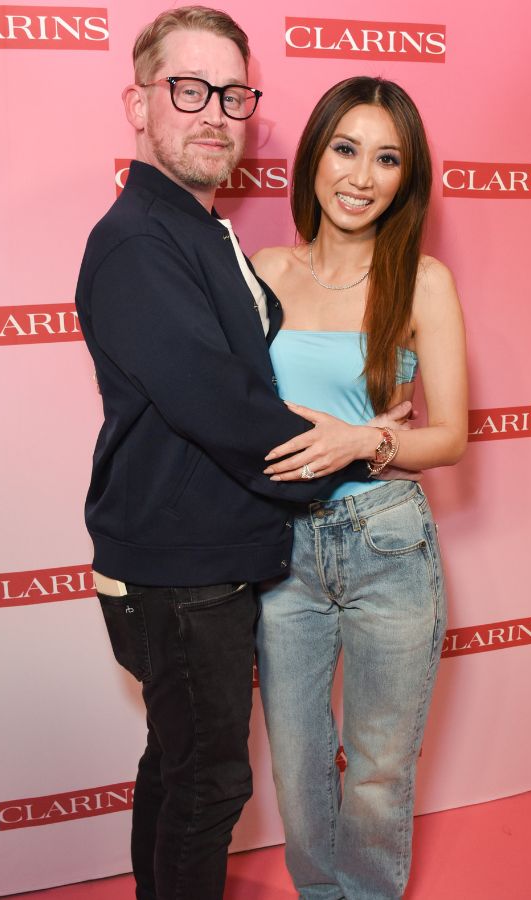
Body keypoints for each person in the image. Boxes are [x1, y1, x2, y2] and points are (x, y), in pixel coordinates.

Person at [74, 10, 409, 900]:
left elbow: (241, 392)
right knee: (211, 783)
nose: (214, 112)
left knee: (178, 764)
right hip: (179, 570)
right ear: (138, 103)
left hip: (203, 557)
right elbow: (228, 412)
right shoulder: (140, 242)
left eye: (233, 94)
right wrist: (366, 446)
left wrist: (346, 434)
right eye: (188, 89)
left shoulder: (198, 226)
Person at [253, 76, 468, 900]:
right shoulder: (265, 270)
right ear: (314, 157)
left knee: (379, 765)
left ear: (405, 179)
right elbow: (234, 407)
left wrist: (365, 438)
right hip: (282, 548)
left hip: (387, 540)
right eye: (346, 148)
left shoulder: (423, 281)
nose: (361, 175)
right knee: (301, 762)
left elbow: (448, 435)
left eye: (388, 159)